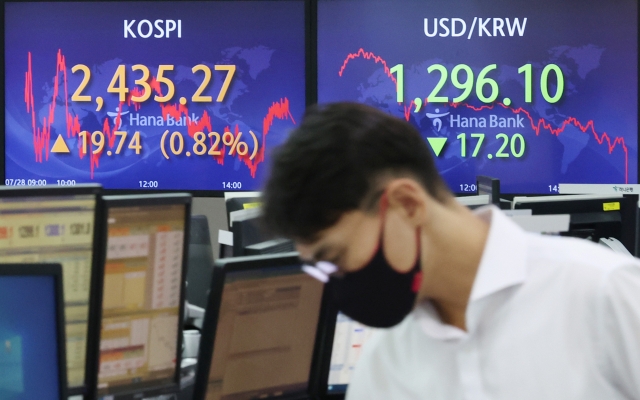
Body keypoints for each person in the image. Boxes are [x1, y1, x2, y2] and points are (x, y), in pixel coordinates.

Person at [262, 102, 640, 399]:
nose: (338, 284)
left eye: (338, 258)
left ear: (407, 205)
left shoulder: (603, 294)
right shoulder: (385, 366)